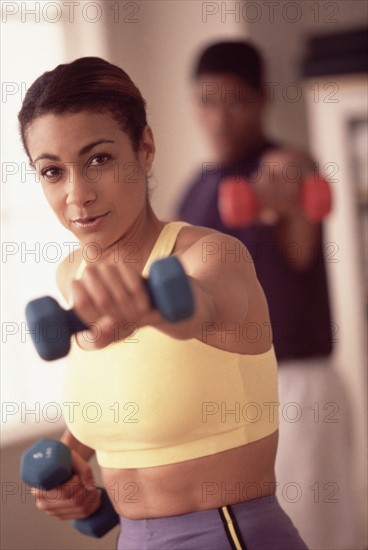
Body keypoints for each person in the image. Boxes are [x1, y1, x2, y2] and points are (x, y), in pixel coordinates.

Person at [19, 57, 308, 550]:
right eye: (52, 171)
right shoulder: (71, 276)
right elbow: (138, 389)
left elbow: (206, 304)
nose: (78, 195)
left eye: (99, 160)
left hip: (230, 534)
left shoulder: (209, 256)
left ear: (145, 148)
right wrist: (75, 466)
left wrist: (149, 307)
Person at [176, 41, 355, 550]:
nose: (219, 118)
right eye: (206, 101)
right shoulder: (196, 189)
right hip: (232, 394)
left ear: (261, 99)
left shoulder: (281, 165)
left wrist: (276, 194)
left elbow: (293, 171)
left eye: (233, 100)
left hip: (296, 386)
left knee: (314, 536)